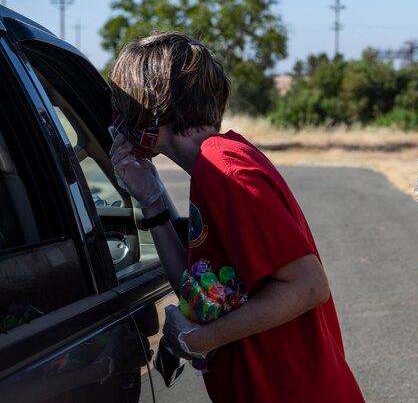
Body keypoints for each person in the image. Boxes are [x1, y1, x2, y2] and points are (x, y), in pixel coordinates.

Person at [108, 32, 364, 403]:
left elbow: (308, 285)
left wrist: (197, 339)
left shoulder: (224, 172)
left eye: (126, 105)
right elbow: (202, 294)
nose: (120, 120)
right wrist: (151, 201)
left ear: (153, 108)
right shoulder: (216, 165)